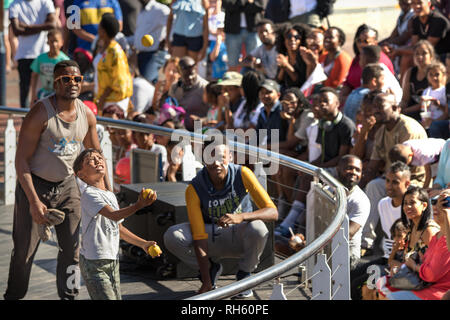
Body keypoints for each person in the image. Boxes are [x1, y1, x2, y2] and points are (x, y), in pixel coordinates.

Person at [3, 60, 106, 300]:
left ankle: (69, 297)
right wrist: (32, 201)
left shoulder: (86, 114)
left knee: (72, 251)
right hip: (35, 185)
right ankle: (13, 296)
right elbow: (21, 161)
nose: (72, 83)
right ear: (55, 83)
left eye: (77, 79)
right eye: (65, 79)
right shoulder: (40, 113)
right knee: (23, 253)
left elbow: (97, 157)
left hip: (68, 186)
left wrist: (106, 195)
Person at [163, 141, 278, 297]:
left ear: (230, 157)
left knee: (259, 228)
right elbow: (199, 238)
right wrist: (206, 279)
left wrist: (241, 216)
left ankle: (245, 274)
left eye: (221, 157)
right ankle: (212, 270)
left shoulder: (243, 174)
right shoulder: (195, 187)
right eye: (210, 158)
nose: (216, 163)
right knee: (172, 235)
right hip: (211, 235)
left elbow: (273, 212)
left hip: (240, 235)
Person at [73, 148, 159, 300]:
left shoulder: (110, 195)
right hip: (94, 263)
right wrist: (139, 205)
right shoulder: (89, 194)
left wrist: (143, 244)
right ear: (81, 175)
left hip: (112, 260)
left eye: (99, 157)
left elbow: (119, 228)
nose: (97, 160)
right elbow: (113, 216)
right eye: (90, 161)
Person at [275, 87, 355, 237]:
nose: (322, 104)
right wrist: (310, 166)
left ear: (337, 103)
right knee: (304, 172)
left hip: (338, 169)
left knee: (309, 176)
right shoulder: (323, 124)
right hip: (325, 166)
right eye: (320, 101)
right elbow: (323, 154)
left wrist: (318, 168)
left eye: (326, 101)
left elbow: (341, 158)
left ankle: (289, 222)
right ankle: (295, 219)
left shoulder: (346, 125)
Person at [359, 91, 428, 254]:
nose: (375, 110)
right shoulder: (382, 130)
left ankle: (399, 246)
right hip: (392, 179)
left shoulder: (407, 128)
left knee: (387, 186)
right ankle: (364, 244)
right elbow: (373, 166)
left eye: (380, 106)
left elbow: (406, 171)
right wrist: (354, 190)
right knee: (373, 186)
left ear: (396, 108)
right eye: (374, 106)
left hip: (413, 181)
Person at [377, 186, 446, 300]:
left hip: (425, 282)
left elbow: (432, 265)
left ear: (424, 205)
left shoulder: (429, 230)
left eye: (412, 202)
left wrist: (408, 266)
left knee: (383, 290)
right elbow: (401, 261)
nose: (407, 207)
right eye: (405, 203)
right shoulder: (411, 228)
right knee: (377, 285)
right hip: (411, 276)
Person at [9, 0, 57, 108]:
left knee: (44, 88)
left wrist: (26, 26)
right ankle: (25, 119)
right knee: (25, 89)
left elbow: (53, 24)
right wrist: (43, 26)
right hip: (24, 55)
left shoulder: (45, 2)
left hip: (42, 54)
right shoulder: (14, 4)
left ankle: (42, 117)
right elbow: (16, 30)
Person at [339, 24, 395, 106]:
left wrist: (350, 98)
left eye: (366, 41)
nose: (361, 44)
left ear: (375, 43)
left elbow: (377, 91)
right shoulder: (358, 58)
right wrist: (342, 96)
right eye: (359, 41)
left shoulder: (380, 62)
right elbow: (348, 83)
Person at [94, 13, 133, 116]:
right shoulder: (105, 49)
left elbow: (118, 80)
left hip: (112, 102)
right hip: (103, 100)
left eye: (100, 26)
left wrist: (102, 100)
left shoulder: (115, 52)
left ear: (103, 31)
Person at [133, 0, 170, 84]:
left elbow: (173, 25)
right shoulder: (141, 11)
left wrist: (166, 40)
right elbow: (138, 35)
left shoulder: (161, 9)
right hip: (140, 55)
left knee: (146, 85)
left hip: (154, 55)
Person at [168, 56, 209, 131]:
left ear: (195, 69)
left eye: (192, 74)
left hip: (199, 133)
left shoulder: (205, 87)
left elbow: (214, 114)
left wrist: (202, 120)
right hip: (179, 131)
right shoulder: (174, 87)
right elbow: (169, 107)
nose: (190, 78)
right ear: (180, 73)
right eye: (186, 76)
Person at [399, 40, 437, 121]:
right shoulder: (410, 72)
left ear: (431, 56)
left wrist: (404, 111)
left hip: (427, 112)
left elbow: (426, 103)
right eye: (417, 54)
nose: (420, 57)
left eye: (424, 53)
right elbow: (405, 99)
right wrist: (399, 109)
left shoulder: (434, 74)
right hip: (409, 110)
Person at [30, 28, 69, 104]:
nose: (54, 44)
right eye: (51, 41)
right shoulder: (40, 58)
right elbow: (34, 75)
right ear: (47, 42)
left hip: (59, 95)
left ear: (62, 42)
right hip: (43, 93)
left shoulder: (65, 61)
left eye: (56, 41)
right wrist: (33, 95)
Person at [222, 0, 264, 72]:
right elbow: (227, 5)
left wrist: (239, 5)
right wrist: (247, 2)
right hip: (233, 31)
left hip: (253, 30)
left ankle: (253, 82)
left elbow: (260, 6)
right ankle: (233, 82)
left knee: (254, 61)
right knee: (232, 62)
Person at [379, 0, 415, 78]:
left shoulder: (413, 15)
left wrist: (388, 44)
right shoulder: (402, 15)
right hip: (399, 43)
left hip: (407, 45)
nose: (403, 3)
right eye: (401, 1)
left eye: (406, 1)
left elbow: (405, 37)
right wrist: (381, 43)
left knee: (388, 50)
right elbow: (395, 34)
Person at [275, 23, 311, 92]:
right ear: (283, 40)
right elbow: (278, 80)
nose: (292, 39)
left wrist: (286, 66)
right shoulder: (283, 56)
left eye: (297, 37)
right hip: (286, 91)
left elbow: (300, 81)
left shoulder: (303, 56)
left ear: (301, 40)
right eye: (288, 36)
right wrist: (282, 68)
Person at [420, 61, 449, 138]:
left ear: (443, 75)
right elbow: (424, 110)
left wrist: (438, 104)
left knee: (434, 127)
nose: (434, 78)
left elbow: (446, 113)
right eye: (431, 75)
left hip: (440, 121)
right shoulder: (426, 91)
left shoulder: (445, 91)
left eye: (437, 74)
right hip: (428, 121)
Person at [255, 79, 286, 146]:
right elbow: (257, 136)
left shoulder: (283, 110)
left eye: (268, 92)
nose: (265, 96)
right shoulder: (262, 112)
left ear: (278, 95)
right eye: (262, 93)